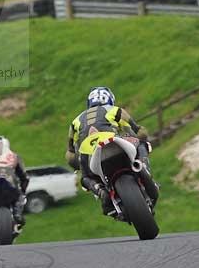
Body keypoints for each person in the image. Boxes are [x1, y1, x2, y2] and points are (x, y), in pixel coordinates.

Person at [66, 86, 155, 215]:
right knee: (142, 144)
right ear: (110, 100)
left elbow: (70, 154)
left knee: (85, 178)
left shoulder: (75, 121)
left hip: (88, 151)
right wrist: (141, 136)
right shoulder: (115, 110)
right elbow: (138, 131)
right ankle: (143, 168)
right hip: (113, 142)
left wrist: (77, 164)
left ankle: (100, 190)